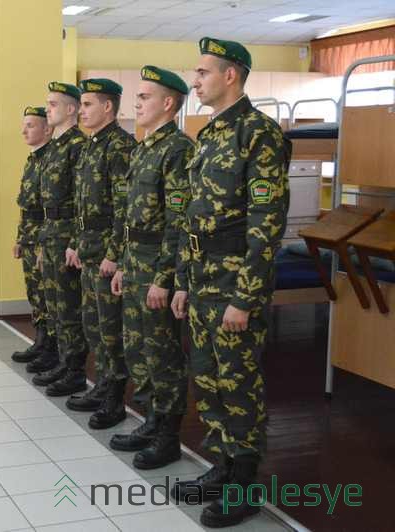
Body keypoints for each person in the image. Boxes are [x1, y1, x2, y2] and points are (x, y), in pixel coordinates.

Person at [169, 38, 291, 528]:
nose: (194, 81)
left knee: (239, 385)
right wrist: (181, 280)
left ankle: (245, 482)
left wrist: (245, 297)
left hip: (234, 283)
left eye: (202, 73)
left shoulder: (258, 134)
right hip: (200, 282)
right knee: (208, 378)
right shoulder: (211, 134)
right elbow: (191, 218)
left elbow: (266, 226)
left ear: (230, 76)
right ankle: (221, 467)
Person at [108, 66, 193, 469]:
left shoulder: (177, 150)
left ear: (168, 103)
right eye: (137, 97)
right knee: (138, 349)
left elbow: (178, 221)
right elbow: (129, 215)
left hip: (158, 265)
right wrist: (125, 263)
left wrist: (164, 278)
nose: (137, 103)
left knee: (163, 355)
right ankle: (151, 419)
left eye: (144, 97)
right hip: (136, 262)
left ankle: (168, 436)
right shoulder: (143, 147)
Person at [64, 79, 137, 426]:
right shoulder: (91, 145)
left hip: (107, 252)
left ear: (108, 107)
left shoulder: (120, 147)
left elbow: (124, 208)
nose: (82, 110)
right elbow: (83, 205)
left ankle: (114, 398)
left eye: (88, 104)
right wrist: (77, 243)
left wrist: (115, 254)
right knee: (93, 325)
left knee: (111, 330)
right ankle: (102, 384)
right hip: (89, 249)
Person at [29, 82, 89, 398]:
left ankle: (75, 370)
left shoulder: (77, 145)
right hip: (51, 232)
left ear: (70, 109)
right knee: (54, 305)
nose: (48, 109)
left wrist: (75, 241)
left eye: (53, 104)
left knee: (68, 307)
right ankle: (62, 361)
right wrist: (41, 243)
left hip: (67, 234)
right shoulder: (54, 147)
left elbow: (82, 200)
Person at [12, 106, 57, 364]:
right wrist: (20, 238)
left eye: (30, 125)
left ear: (47, 129)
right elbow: (26, 205)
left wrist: (42, 244)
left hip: (44, 237)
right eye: (24, 124)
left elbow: (49, 209)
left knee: (48, 296)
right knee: (35, 294)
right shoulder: (33, 159)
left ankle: (51, 348)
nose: (24, 130)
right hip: (30, 237)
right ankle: (40, 341)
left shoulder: (51, 160)